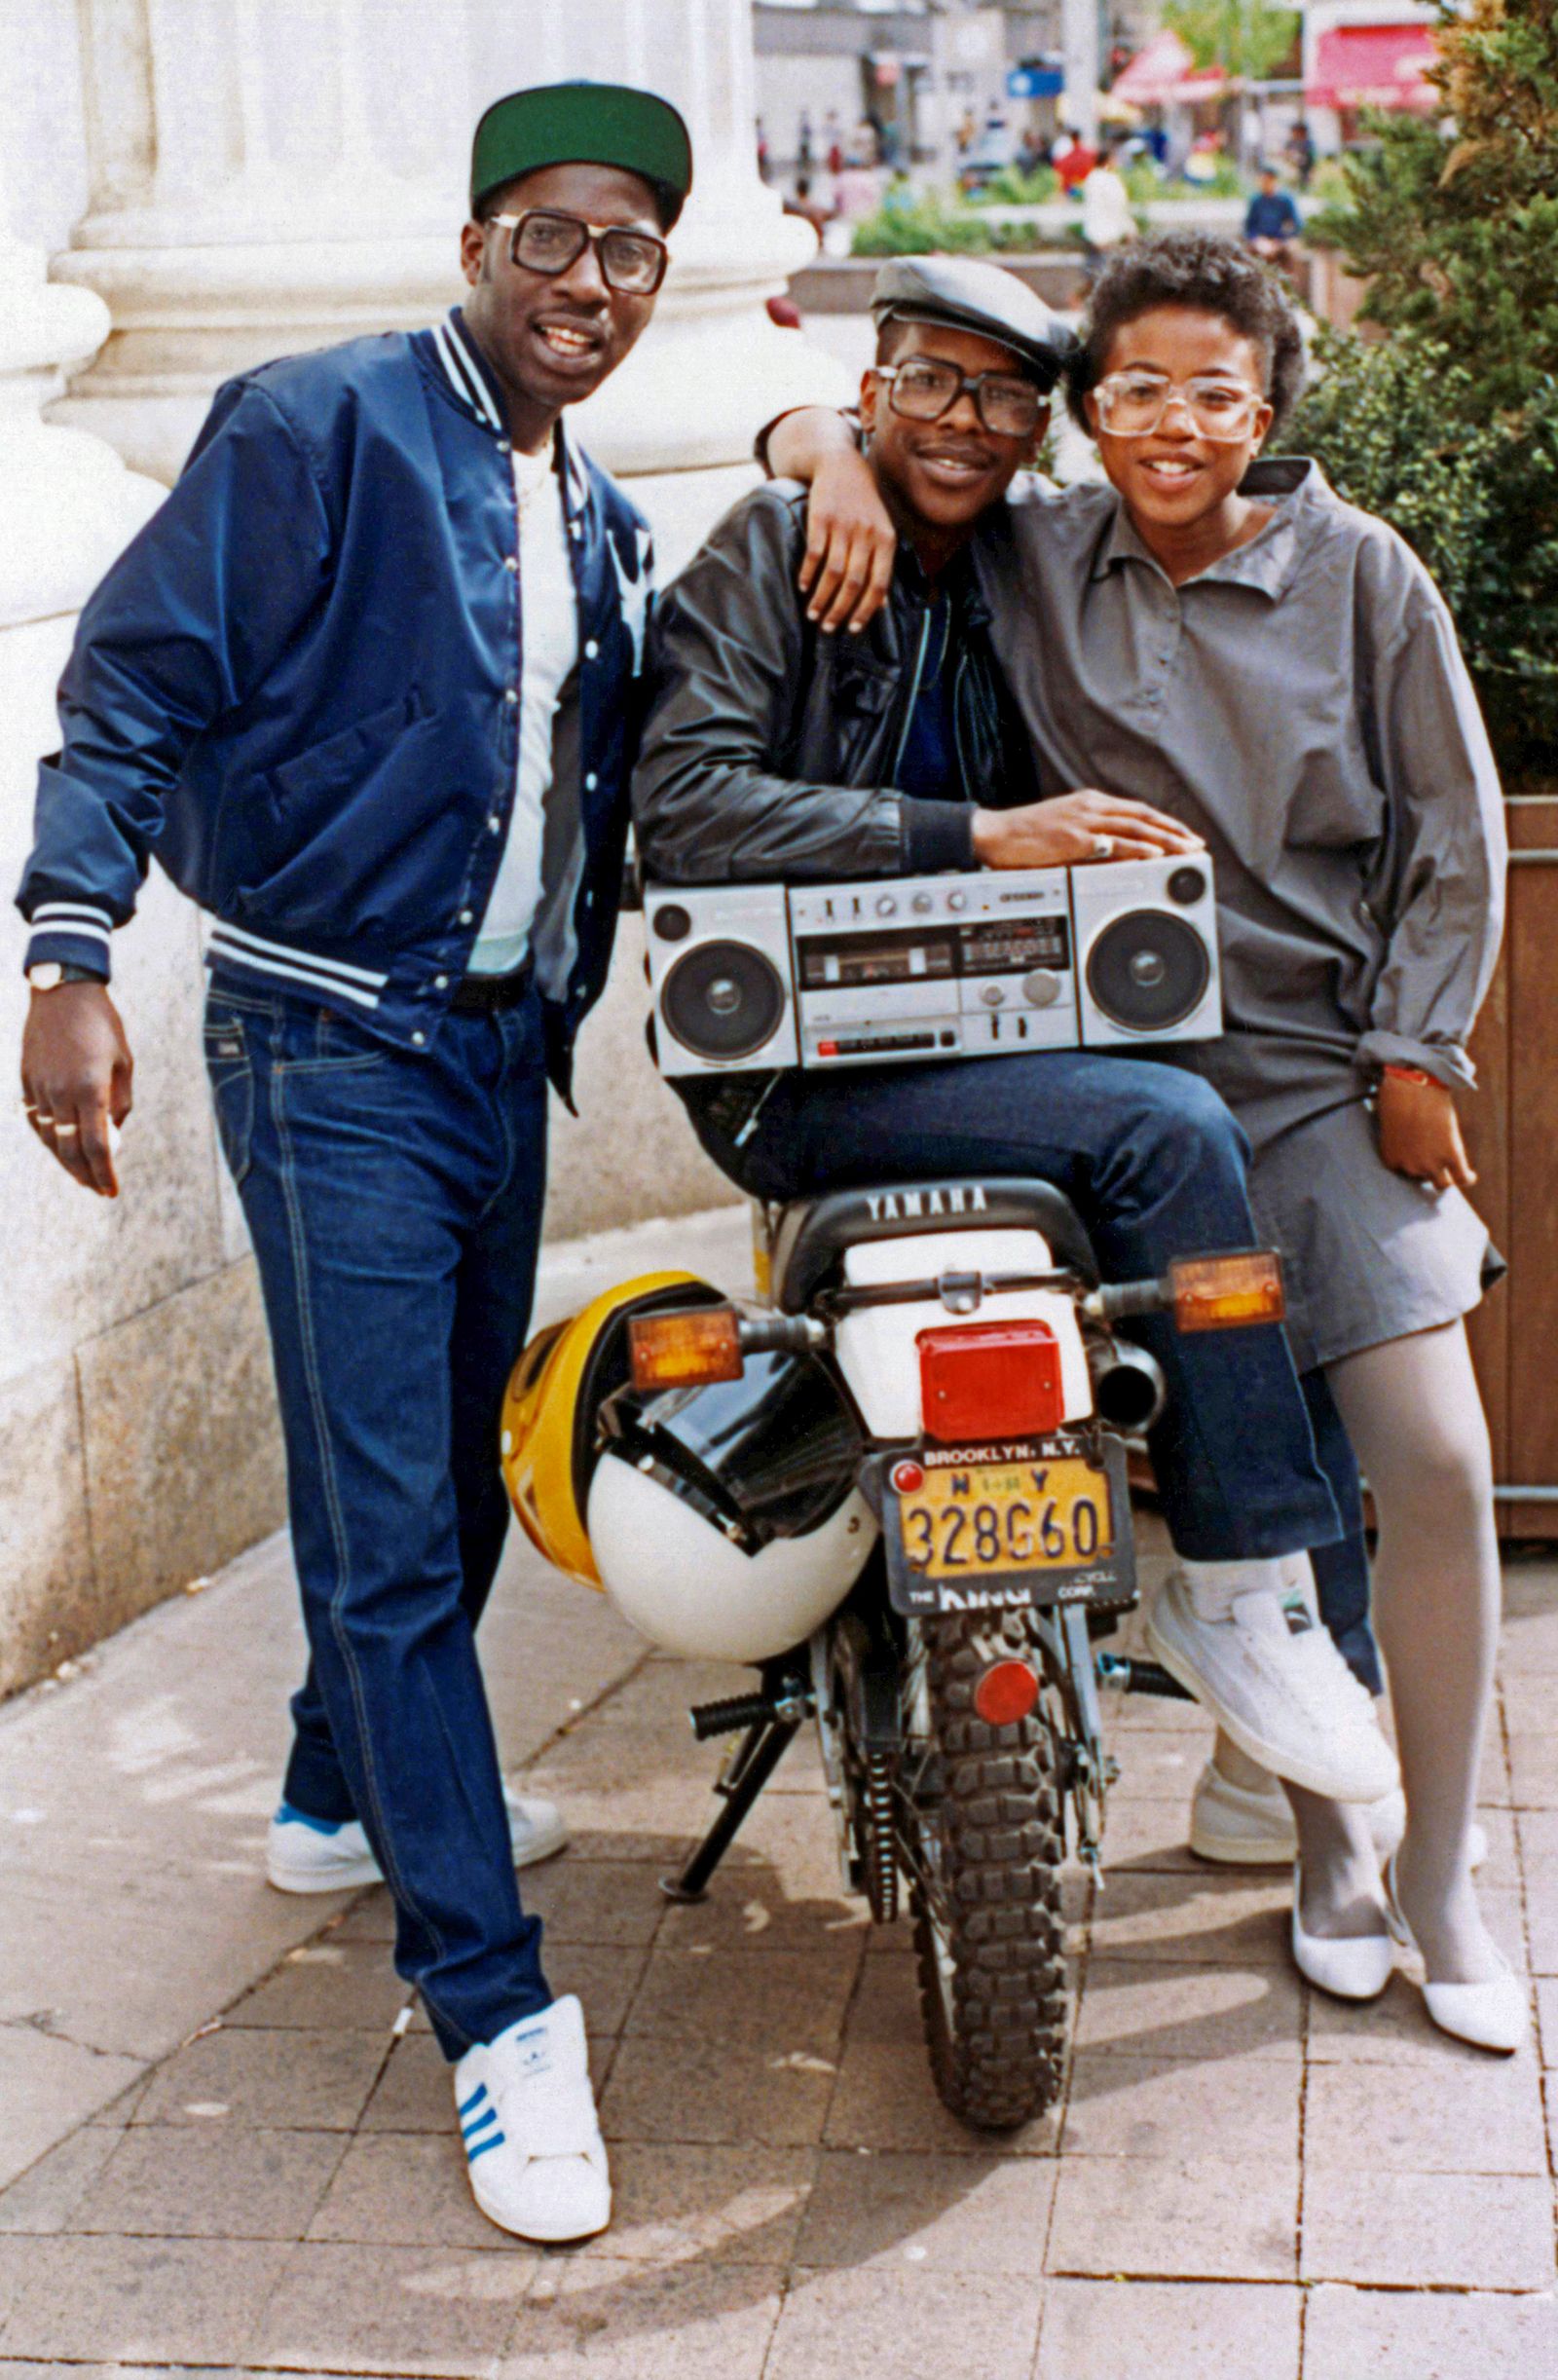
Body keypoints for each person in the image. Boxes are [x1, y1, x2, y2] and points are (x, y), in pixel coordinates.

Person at [16, 80, 696, 2238]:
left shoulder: (594, 514)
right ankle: (491, 2012)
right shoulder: (313, 427)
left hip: (503, 1065)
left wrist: (811, 449)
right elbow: (128, 687)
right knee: (394, 1532)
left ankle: (333, 1791)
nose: (590, 285)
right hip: (326, 1047)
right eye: (553, 239)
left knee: (447, 1494)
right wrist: (67, 955)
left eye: (630, 253)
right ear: (481, 240)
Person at [768, 235, 1520, 2052]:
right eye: (1134, 392)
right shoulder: (1039, 548)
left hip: (1325, 1066)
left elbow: (1458, 825)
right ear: (1085, 412)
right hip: (1113, 1075)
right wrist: (835, 453)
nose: (1172, 426)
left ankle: (1440, 1864)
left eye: (1213, 392)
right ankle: (1331, 1842)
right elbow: (816, 418)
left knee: (1428, 1449)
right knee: (1261, 1456)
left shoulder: (1362, 577)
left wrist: (1420, 1044)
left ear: (1265, 408)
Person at [634, 255, 1398, 1829]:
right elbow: (687, 806)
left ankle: (1302, 1661)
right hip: (790, 1075)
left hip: (984, 1043)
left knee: (1234, 1238)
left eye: (1003, 394)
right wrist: (970, 832)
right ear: (873, 386)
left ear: (1040, 426)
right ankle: (1242, 1590)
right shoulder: (772, 553)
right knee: (1176, 1138)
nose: (964, 420)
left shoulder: (1022, 567)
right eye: (927, 381)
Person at [1080, 142, 1136, 280]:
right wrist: (1130, 229)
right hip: (1107, 236)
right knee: (1105, 278)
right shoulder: (1110, 181)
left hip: (1092, 234)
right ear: (1108, 160)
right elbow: (1118, 208)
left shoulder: (1092, 178)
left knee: (1093, 278)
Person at [1243, 166, 1302, 268]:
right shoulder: (1256, 200)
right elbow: (1249, 226)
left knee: (1291, 251)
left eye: (1266, 181)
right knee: (1251, 255)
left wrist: (1280, 241)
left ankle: (1288, 281)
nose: (1263, 184)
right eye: (1261, 181)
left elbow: (1296, 224)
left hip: (1280, 240)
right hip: (1261, 240)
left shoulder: (1285, 200)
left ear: (1274, 180)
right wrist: (1257, 239)